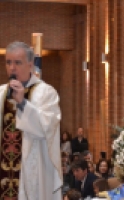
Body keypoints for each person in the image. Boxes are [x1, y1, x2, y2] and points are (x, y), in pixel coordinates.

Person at [0, 41, 62, 199]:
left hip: (32, 174)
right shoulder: (1, 94)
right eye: (8, 62)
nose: (12, 68)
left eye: (17, 62)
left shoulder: (46, 93)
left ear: (30, 64)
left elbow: (46, 129)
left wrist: (22, 103)